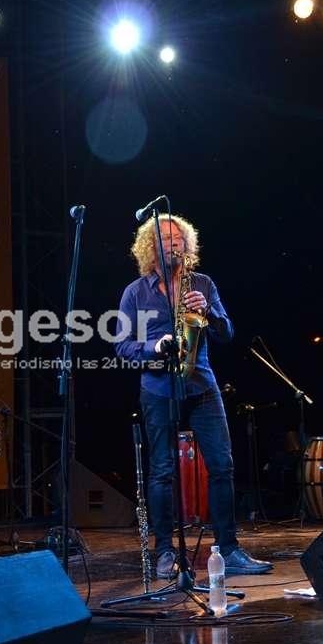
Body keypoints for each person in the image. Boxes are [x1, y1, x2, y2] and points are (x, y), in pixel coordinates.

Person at [116, 215, 273, 578]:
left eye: (179, 239)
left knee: (222, 465)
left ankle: (229, 549)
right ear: (150, 247)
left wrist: (210, 312)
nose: (175, 244)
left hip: (201, 384)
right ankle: (165, 552)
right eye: (167, 239)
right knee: (161, 472)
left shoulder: (202, 283)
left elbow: (226, 333)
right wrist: (155, 346)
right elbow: (122, 346)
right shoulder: (135, 292)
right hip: (158, 389)